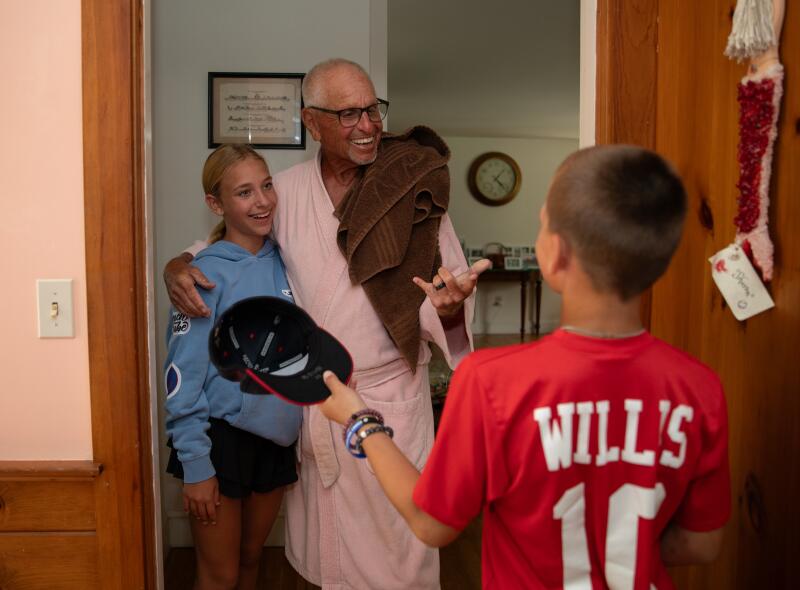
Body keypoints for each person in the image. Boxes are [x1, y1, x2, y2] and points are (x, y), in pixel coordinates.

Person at [320, 145, 731, 589]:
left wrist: (359, 421)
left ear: (554, 254)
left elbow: (430, 522)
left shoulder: (492, 382)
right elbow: (701, 544)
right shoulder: (699, 388)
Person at [164, 58, 488, 589]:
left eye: (372, 110)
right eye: (348, 114)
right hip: (317, 403)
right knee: (325, 559)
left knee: (400, 556)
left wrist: (448, 310)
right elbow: (226, 248)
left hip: (389, 402)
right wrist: (177, 266)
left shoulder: (413, 195)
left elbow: (444, 294)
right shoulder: (284, 192)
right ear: (311, 122)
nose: (368, 125)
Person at [164, 144, 302, 590]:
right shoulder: (202, 276)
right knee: (219, 575)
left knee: (250, 560)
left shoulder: (290, 261)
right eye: (244, 192)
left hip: (277, 437)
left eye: (266, 186)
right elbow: (180, 377)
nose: (262, 201)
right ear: (216, 203)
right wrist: (196, 464)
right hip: (219, 442)